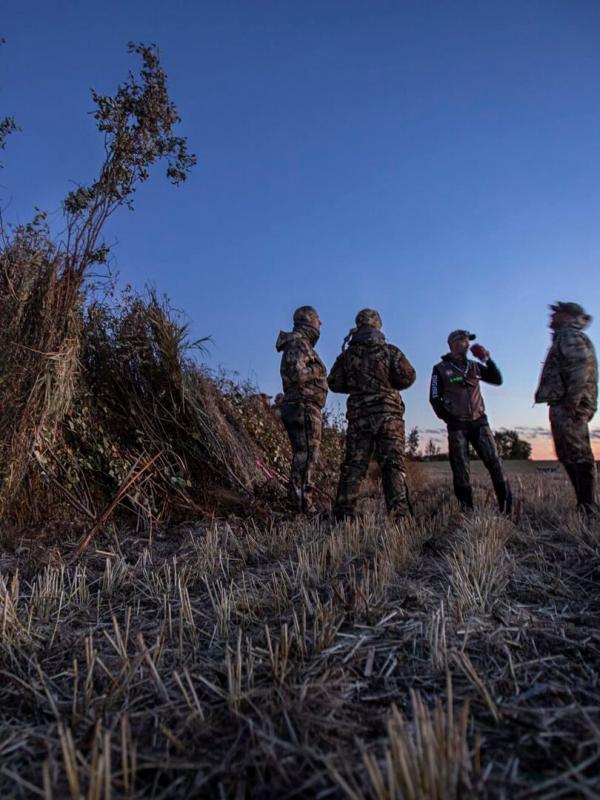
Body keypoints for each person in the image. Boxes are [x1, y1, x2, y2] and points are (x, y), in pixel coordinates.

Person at [328, 309, 416, 521]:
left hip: (360, 419)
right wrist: (388, 385)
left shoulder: (347, 356)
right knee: (393, 465)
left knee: (354, 467)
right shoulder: (390, 351)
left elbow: (333, 383)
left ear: (358, 326)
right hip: (389, 417)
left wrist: (355, 385)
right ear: (378, 326)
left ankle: (342, 517)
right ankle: (400, 517)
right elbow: (409, 376)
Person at [429, 330, 511, 513]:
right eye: (463, 340)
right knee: (461, 468)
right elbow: (434, 398)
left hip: (479, 423)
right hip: (457, 425)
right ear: (452, 344)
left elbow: (497, 380)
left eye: (468, 340)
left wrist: (487, 360)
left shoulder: (475, 367)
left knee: (495, 462)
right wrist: (449, 418)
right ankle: (467, 512)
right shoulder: (440, 369)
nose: (467, 343)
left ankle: (507, 509)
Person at [534, 302, 598, 513]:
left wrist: (572, 404)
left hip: (569, 405)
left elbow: (579, 370)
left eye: (557, 313)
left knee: (578, 453)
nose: (552, 317)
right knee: (567, 452)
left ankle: (588, 505)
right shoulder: (565, 336)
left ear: (568, 317)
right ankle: (584, 503)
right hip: (566, 403)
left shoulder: (569, 336)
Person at [276, 306, 328, 512]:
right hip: (302, 406)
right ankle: (302, 506)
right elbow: (297, 374)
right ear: (308, 320)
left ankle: (300, 504)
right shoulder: (299, 344)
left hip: (303, 406)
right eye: (317, 319)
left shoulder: (300, 344)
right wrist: (318, 370)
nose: (320, 323)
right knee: (306, 456)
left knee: (306, 455)